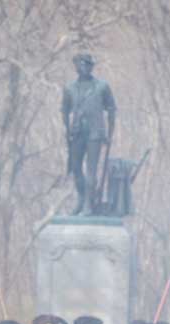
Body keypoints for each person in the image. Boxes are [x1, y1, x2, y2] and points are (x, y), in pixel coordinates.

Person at [61, 53, 117, 214]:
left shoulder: (102, 86)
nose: (84, 67)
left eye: (87, 64)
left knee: (91, 169)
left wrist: (110, 132)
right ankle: (82, 197)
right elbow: (64, 110)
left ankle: (87, 204)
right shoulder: (70, 88)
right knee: (75, 168)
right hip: (77, 132)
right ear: (77, 67)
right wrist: (66, 130)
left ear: (91, 67)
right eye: (80, 64)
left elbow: (111, 108)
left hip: (95, 132)